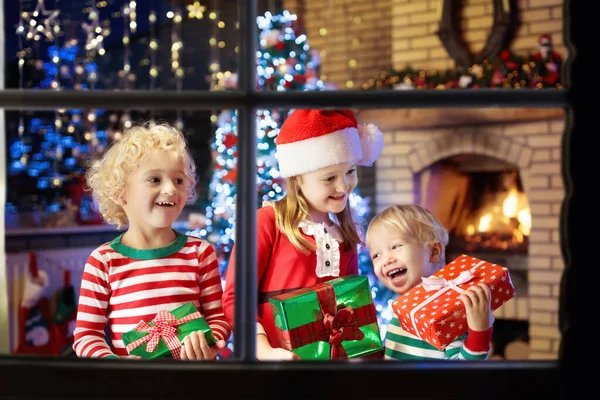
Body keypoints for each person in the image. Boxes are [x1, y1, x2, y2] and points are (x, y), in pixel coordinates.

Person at [222, 109, 384, 360]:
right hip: (277, 366)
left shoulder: (345, 235)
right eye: (329, 177)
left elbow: (351, 303)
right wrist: (264, 351)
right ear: (297, 180)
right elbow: (237, 297)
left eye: (350, 171)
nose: (343, 186)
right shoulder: (266, 223)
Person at [73, 123, 231, 360]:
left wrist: (209, 345)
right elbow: (86, 335)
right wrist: (112, 363)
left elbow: (218, 319)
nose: (170, 189)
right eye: (155, 179)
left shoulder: (199, 252)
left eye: (178, 180)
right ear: (119, 192)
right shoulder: (103, 261)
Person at [365, 204, 493, 360]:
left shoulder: (447, 311)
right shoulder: (401, 309)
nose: (385, 260)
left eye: (396, 246)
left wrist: (480, 332)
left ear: (433, 252)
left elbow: (464, 375)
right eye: (376, 255)